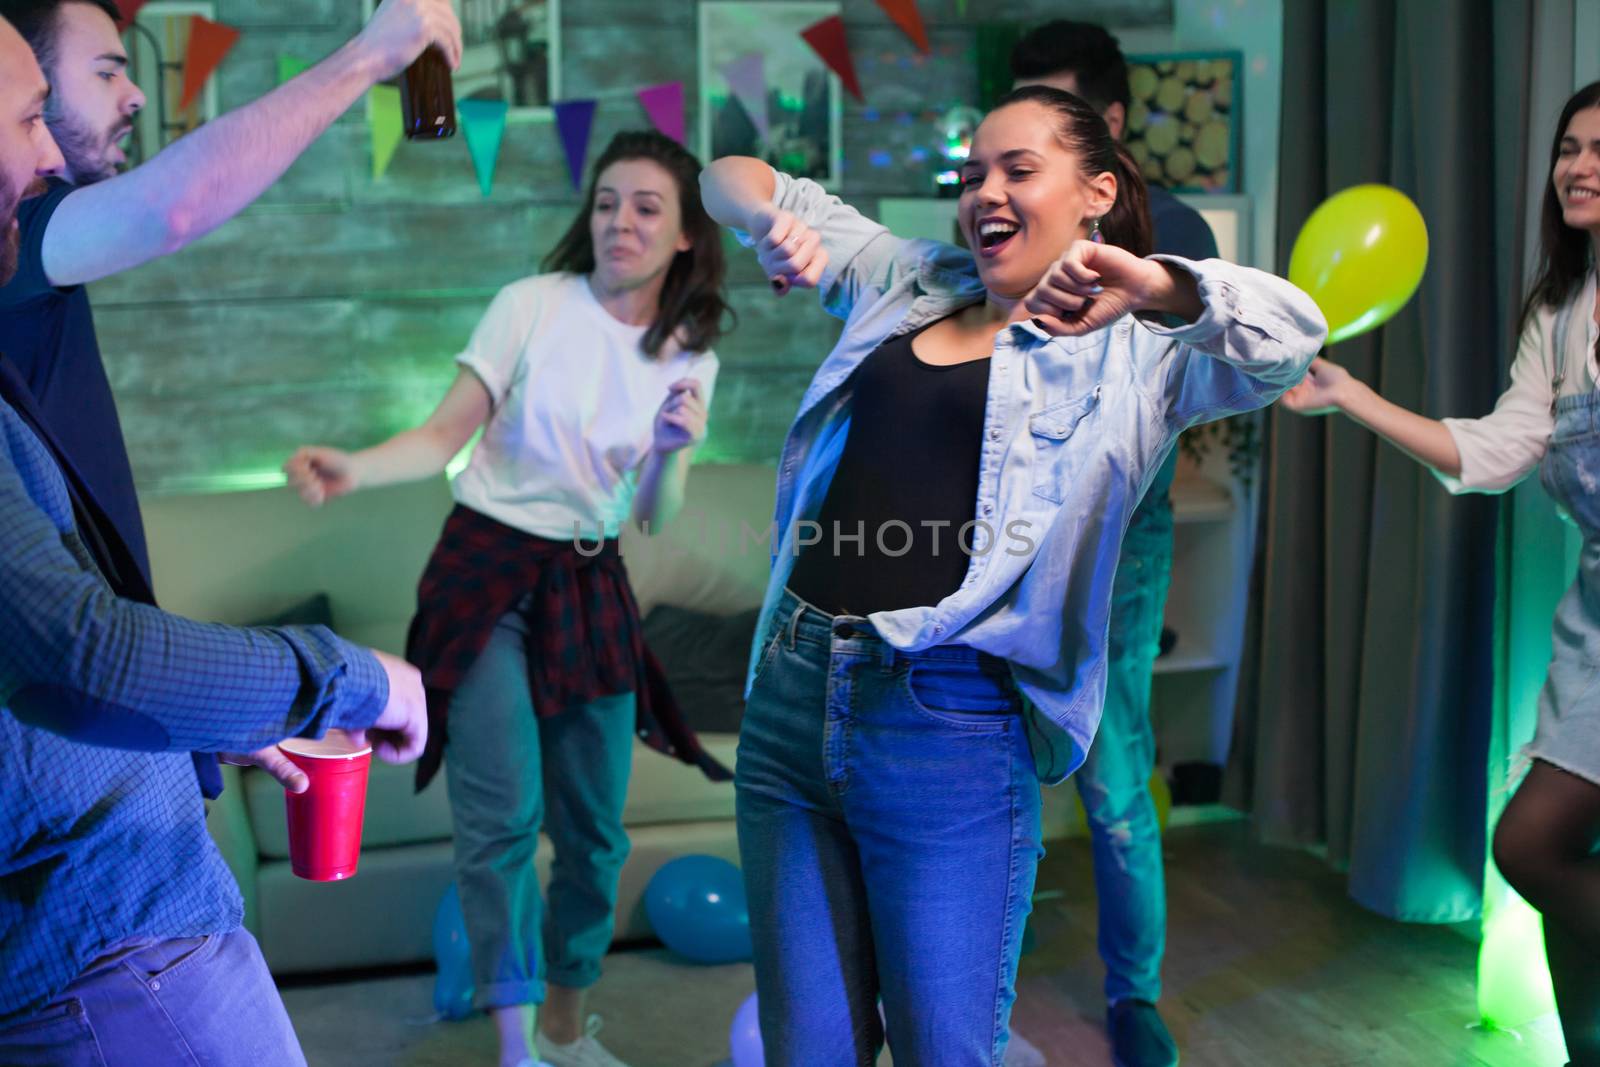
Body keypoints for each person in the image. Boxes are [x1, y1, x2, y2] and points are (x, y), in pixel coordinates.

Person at [699, 86, 1325, 1066]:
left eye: (1017, 170)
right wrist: (767, 219)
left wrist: (1160, 284)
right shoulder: (911, 280)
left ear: (1096, 191)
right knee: (806, 1050)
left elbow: (1293, 336)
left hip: (944, 721)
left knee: (947, 1047)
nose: (983, 191)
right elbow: (724, 174)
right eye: (972, 173)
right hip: (789, 690)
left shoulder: (1137, 350)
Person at [0, 17, 431, 1066]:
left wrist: (200, 717)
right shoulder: (34, 247)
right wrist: (358, 677)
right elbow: (80, 650)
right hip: (109, 951)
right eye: (35, 112)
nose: (54, 149)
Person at [284, 130, 732, 1067]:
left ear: (687, 232)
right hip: (486, 575)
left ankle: (567, 1025)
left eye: (646, 206)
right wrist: (355, 467)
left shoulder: (689, 350)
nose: (620, 221)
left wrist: (674, 446)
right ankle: (518, 1049)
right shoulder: (530, 305)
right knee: (500, 824)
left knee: (595, 836)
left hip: (591, 580)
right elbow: (445, 430)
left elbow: (654, 513)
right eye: (607, 201)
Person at [0, 0, 461, 797]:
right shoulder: (23, 237)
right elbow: (169, 207)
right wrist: (368, 56)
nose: (136, 93)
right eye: (104, 71)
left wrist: (219, 712)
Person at [1280, 80, 1600, 1067]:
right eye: (1568, 148)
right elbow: (1498, 449)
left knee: (1529, 844)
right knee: (1555, 855)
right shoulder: (1558, 309)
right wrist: (1352, 395)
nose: (1577, 166)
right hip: (1591, 620)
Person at [1008, 21, 1221, 1067]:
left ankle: (1132, 994)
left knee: (1116, 771)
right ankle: (967, 979)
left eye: (1054, 117)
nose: (1024, 149)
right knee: (991, 763)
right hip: (1002, 538)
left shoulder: (1175, 234)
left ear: (1113, 128)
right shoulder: (1002, 229)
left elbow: (1191, 380)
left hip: (1120, 538)